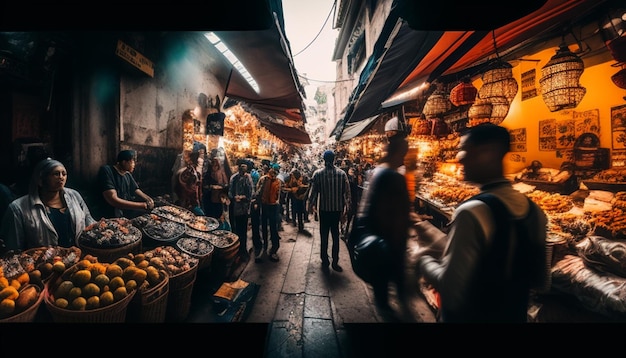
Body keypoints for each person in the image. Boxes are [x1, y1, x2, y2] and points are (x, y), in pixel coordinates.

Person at [417, 123, 548, 323]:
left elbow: (451, 287)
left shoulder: (472, 212)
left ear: (489, 153)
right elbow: (541, 281)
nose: (460, 159)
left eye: (465, 152)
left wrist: (421, 259)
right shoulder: (535, 212)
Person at [352, 137, 414, 312]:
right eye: (403, 153)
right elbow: (396, 213)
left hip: (377, 237)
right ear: (398, 152)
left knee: (383, 290)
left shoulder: (377, 172)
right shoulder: (392, 176)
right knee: (388, 291)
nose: (404, 157)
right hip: (387, 240)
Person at [0, 158, 96, 251]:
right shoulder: (18, 208)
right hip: (43, 265)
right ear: (40, 179)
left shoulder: (74, 196)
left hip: (78, 258)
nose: (61, 177)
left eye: (64, 174)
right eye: (56, 174)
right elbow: (14, 247)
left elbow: (89, 223)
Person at [308, 150, 351, 273]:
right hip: (336, 211)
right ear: (334, 159)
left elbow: (313, 193)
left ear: (323, 159)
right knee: (335, 236)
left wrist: (310, 206)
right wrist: (346, 209)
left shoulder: (318, 174)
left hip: (324, 210)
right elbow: (347, 194)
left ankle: (324, 259)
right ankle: (335, 262)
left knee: (324, 235)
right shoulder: (342, 174)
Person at [98, 150, 154, 219]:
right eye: (132, 162)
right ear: (124, 162)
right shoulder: (107, 171)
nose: (134, 165)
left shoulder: (127, 174)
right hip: (111, 213)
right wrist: (141, 205)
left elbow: (135, 189)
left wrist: (148, 199)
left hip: (125, 211)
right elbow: (113, 200)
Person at [254, 166, 282, 262]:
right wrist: (257, 202)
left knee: (273, 228)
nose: (274, 174)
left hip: (273, 206)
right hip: (265, 205)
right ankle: (265, 247)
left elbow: (278, 194)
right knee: (264, 227)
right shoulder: (264, 179)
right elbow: (258, 191)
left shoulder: (278, 181)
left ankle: (273, 249)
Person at [229, 162, 254, 260]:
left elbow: (251, 192)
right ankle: (236, 250)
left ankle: (243, 250)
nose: (243, 171)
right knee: (235, 229)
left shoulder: (248, 178)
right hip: (235, 207)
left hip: (244, 208)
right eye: (242, 168)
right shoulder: (234, 178)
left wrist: (244, 197)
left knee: (243, 230)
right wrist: (234, 198)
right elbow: (230, 192)